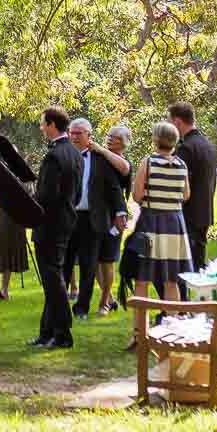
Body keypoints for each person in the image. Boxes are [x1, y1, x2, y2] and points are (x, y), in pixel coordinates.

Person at [66, 117, 130, 318]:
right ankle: (58, 307)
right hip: (68, 216)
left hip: (92, 218)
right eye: (72, 133)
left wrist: (120, 211)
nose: (74, 137)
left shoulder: (101, 159)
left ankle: (83, 308)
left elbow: (114, 187)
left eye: (79, 134)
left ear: (89, 136)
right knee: (65, 264)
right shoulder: (62, 155)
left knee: (89, 265)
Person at [131, 119, 197, 303]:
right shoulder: (182, 165)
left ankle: (139, 328)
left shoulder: (149, 162)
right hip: (174, 223)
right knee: (171, 279)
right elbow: (185, 195)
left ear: (155, 139)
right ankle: (172, 323)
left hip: (150, 221)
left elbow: (136, 196)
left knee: (142, 279)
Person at [31, 107, 79, 349]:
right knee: (54, 276)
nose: (41, 128)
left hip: (50, 223)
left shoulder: (54, 155)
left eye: (42, 124)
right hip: (67, 221)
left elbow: (46, 195)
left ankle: (62, 333)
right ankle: (46, 331)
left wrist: (30, 204)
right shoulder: (74, 152)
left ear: (51, 124)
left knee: (52, 278)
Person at [170, 102, 217, 270]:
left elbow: (177, 184)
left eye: (170, 122)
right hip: (204, 212)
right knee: (197, 263)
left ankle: (186, 297)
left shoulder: (186, 148)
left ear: (177, 122)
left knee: (185, 269)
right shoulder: (208, 145)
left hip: (188, 215)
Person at [101, 124, 142, 287]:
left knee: (108, 258)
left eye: (114, 137)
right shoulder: (100, 158)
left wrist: (101, 149)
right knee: (96, 259)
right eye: (109, 136)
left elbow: (124, 169)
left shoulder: (124, 163)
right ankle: (108, 298)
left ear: (123, 142)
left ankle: (106, 298)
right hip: (97, 212)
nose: (110, 139)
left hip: (115, 215)